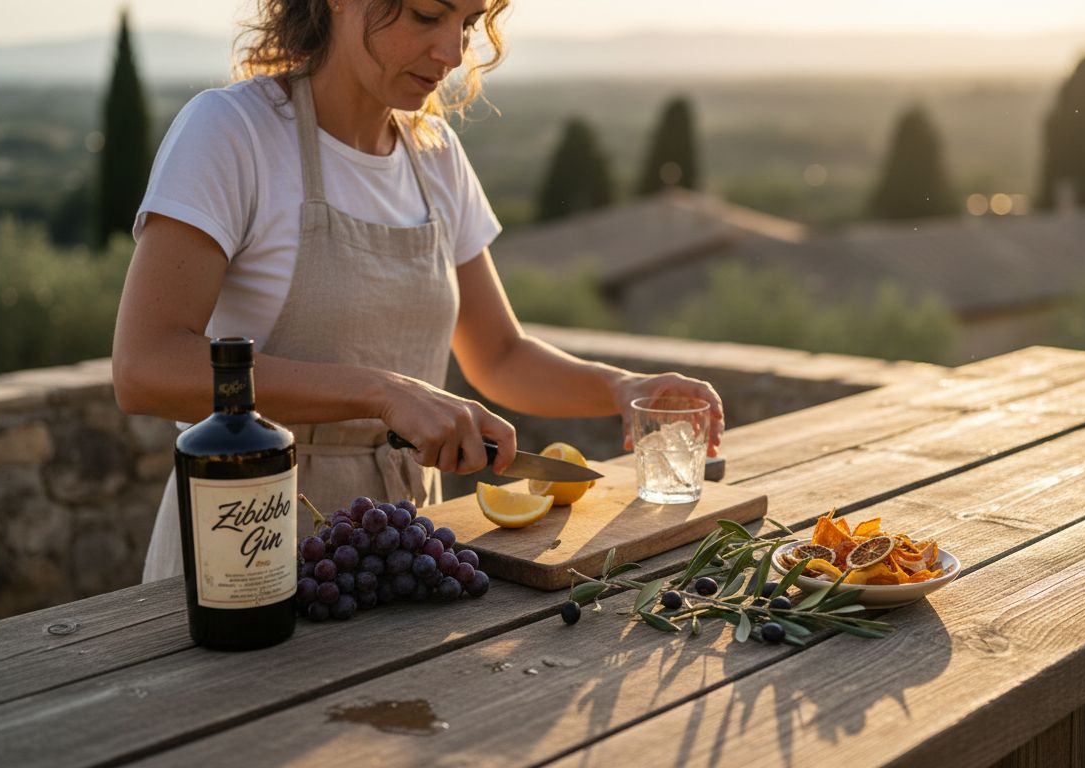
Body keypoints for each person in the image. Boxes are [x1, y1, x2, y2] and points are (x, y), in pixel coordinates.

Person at [113, 0, 724, 583]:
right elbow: (146, 368)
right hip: (244, 541)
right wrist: (379, 391)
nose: (453, 51)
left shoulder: (435, 157)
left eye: (467, 22)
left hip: (401, 546)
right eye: (427, 15)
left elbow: (500, 355)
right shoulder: (232, 132)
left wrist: (620, 388)